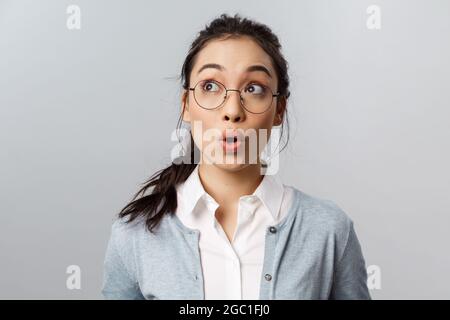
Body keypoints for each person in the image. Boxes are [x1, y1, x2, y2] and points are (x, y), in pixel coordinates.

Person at [101, 13, 371, 300]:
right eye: (210, 86)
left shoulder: (329, 230)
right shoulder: (134, 235)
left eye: (254, 88)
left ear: (279, 109)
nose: (232, 110)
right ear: (186, 105)